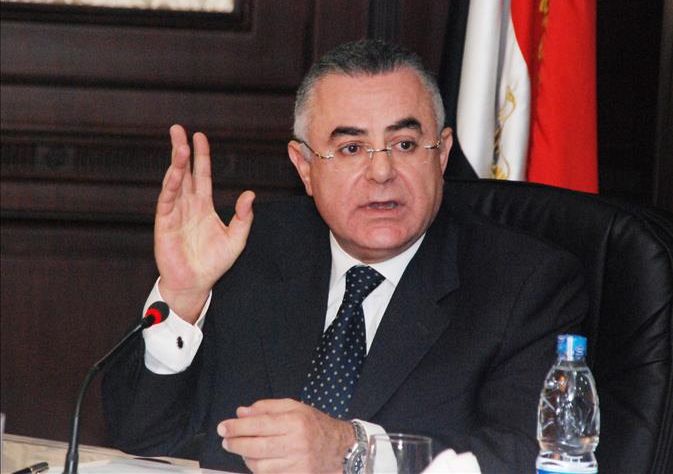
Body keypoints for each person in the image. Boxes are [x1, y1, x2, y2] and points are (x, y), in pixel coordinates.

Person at [102, 39, 587, 473]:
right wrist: (183, 298)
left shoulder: (524, 284)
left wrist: (353, 451)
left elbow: (529, 458)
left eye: (404, 144)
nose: (382, 171)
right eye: (352, 148)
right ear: (304, 167)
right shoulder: (247, 249)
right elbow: (140, 439)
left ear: (441, 154)